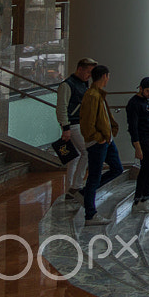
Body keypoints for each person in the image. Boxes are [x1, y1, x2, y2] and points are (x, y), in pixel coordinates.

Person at [78, 64, 123, 225]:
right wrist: (98, 137)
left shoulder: (98, 94)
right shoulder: (92, 96)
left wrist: (110, 133)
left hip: (106, 140)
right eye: (108, 76)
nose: (108, 79)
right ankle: (90, 214)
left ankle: (84, 194)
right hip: (99, 141)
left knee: (117, 168)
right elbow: (87, 123)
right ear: (104, 76)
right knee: (94, 177)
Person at [55, 57, 96, 196]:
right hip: (73, 124)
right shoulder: (67, 85)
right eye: (88, 72)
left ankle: (70, 188)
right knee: (87, 151)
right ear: (80, 69)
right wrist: (65, 127)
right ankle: (76, 185)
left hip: (78, 123)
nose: (89, 75)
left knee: (75, 156)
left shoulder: (83, 83)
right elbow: (62, 107)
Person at [125, 76, 149, 212]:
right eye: (147, 91)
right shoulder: (134, 104)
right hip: (142, 139)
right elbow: (133, 127)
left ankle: (139, 200)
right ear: (140, 88)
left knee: (146, 168)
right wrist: (137, 147)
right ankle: (144, 197)